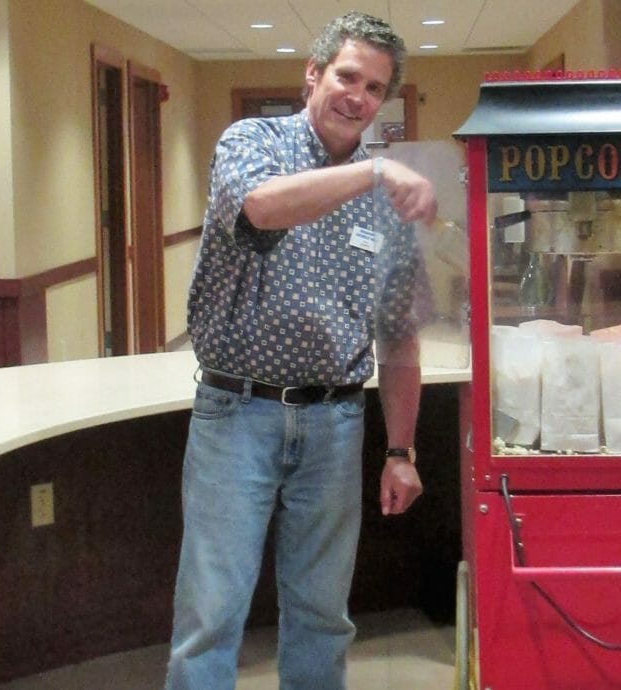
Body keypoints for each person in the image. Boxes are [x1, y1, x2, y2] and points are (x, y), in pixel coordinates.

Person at [165, 11, 437, 690]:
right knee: (212, 613)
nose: (358, 96)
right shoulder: (252, 141)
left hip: (335, 425)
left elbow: (400, 337)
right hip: (237, 413)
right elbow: (262, 207)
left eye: (375, 88)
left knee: (322, 614)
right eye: (348, 76)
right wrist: (374, 173)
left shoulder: (388, 201)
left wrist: (401, 452)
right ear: (312, 75)